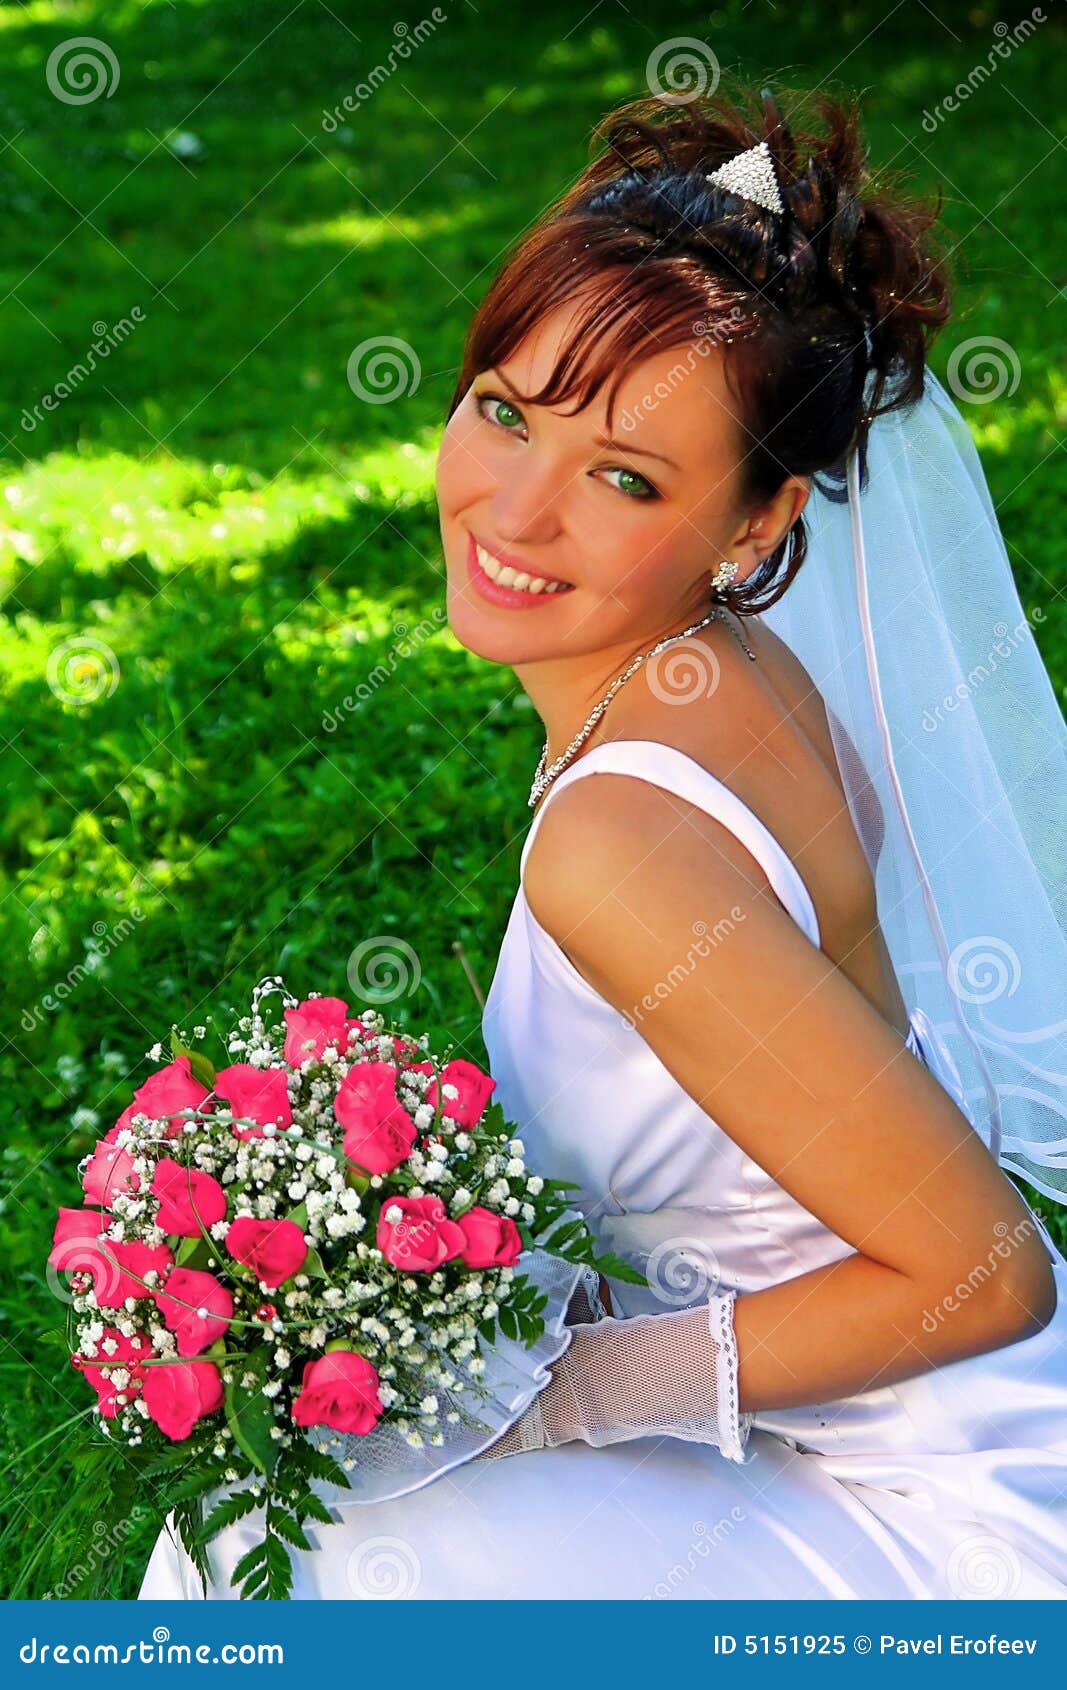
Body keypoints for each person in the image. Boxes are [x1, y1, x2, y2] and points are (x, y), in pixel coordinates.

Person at [138, 82, 1067, 1601]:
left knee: (291, 1549)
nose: (517, 505)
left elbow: (986, 1271)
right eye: (507, 408)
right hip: (910, 1427)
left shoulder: (616, 848)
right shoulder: (730, 677)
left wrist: (558, 1399)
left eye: (625, 477)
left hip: (948, 1514)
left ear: (756, 527)